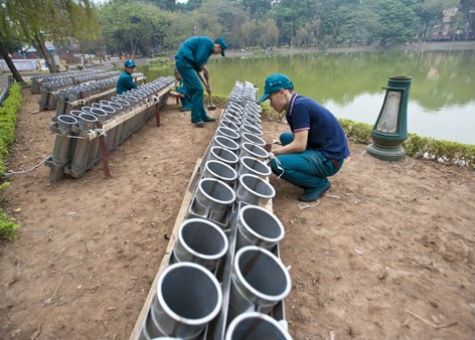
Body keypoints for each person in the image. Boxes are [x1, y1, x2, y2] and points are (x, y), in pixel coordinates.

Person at [258, 74, 350, 202]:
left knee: (276, 163)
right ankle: (305, 166)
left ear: (281, 92)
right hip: (322, 149)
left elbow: (300, 145)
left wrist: (273, 154)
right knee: (285, 137)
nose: (271, 104)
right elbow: (300, 140)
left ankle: (318, 184)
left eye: (270, 98)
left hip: (330, 159)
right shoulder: (296, 103)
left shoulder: (298, 107)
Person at [175, 36, 228, 127]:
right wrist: (206, 71)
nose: (218, 54)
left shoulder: (207, 49)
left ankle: (203, 116)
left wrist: (206, 85)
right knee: (197, 89)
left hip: (187, 63)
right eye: (220, 52)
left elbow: (198, 69)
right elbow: (199, 62)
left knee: (199, 88)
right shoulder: (208, 44)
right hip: (184, 62)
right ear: (218, 46)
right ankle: (196, 118)